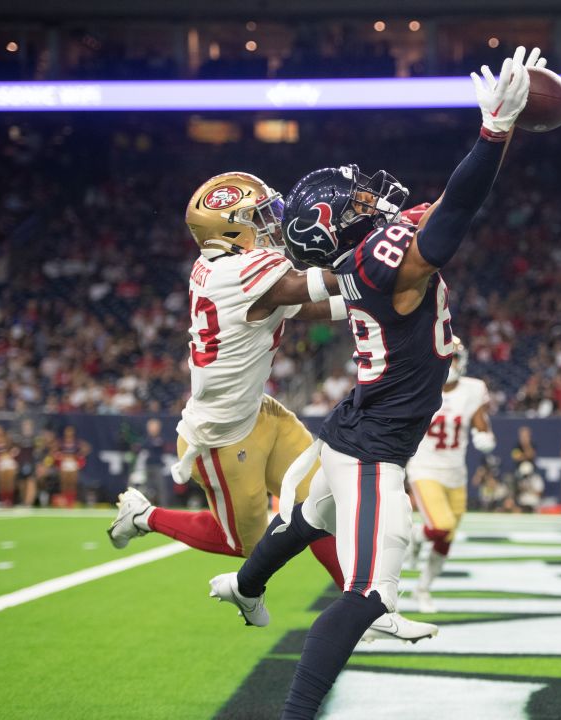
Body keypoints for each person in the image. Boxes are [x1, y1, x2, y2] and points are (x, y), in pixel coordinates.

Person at [206, 46, 539, 719]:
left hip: (358, 424)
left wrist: (500, 133)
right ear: (342, 222)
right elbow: (451, 218)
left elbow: (444, 206)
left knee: (309, 518)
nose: (370, 194)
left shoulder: (366, 254)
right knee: (368, 593)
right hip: (372, 447)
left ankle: (244, 586)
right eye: (355, 197)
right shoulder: (386, 258)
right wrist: (495, 131)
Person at [104, 171, 427, 643]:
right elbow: (323, 286)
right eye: (260, 216)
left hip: (261, 413)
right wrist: (397, 257)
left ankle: (365, 610)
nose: (274, 221)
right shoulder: (242, 271)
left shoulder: (229, 267)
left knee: (320, 505)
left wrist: (385, 301)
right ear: (229, 231)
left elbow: (308, 307)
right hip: (221, 437)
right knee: (246, 546)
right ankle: (143, 516)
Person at [405, 338, 495, 613]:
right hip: (425, 468)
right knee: (441, 525)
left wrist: (485, 436)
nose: (449, 364)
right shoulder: (420, 384)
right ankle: (413, 536)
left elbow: (481, 423)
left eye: (453, 358)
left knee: (446, 537)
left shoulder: (474, 389)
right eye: (444, 357)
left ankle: (422, 589)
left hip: (457, 474)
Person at [53, 425, 90, 507]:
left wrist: (79, 455)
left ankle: (71, 501)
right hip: (64, 463)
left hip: (73, 463)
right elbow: (54, 450)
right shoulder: (61, 442)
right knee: (64, 482)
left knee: (72, 482)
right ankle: (64, 500)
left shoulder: (76, 442)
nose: (69, 433)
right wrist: (60, 456)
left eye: (71, 431)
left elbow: (87, 448)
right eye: (67, 431)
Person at [13, 418, 39, 507]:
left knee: (31, 481)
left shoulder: (35, 438)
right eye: (25, 426)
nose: (27, 427)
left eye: (29, 426)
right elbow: (15, 452)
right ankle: (23, 501)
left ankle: (29, 502)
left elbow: (38, 452)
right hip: (21, 463)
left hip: (32, 463)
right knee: (21, 483)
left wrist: (39, 464)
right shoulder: (18, 438)